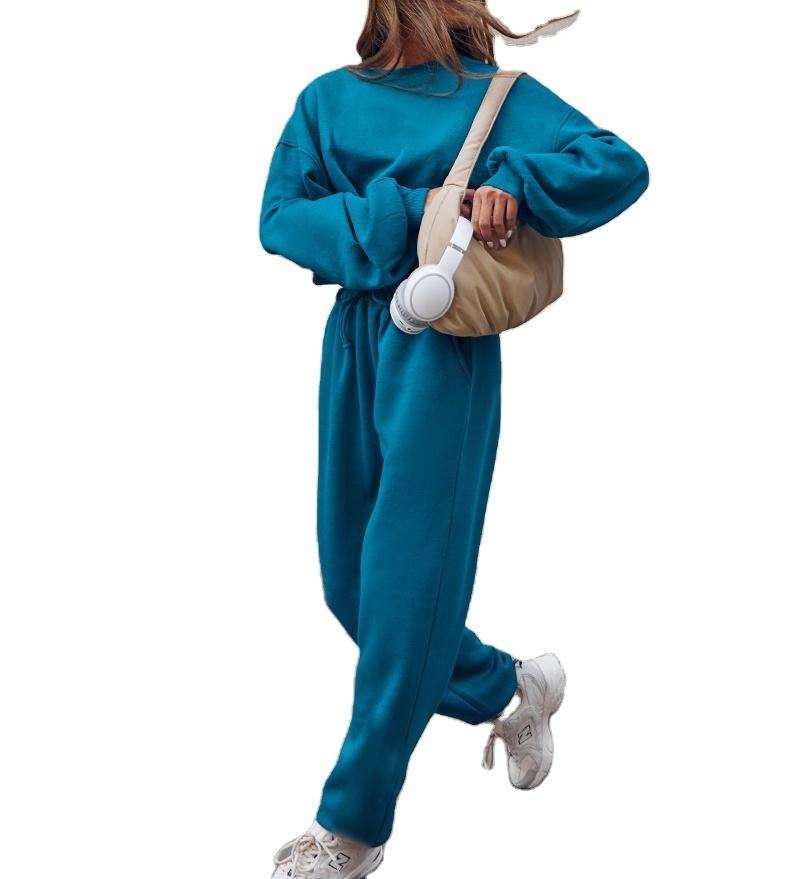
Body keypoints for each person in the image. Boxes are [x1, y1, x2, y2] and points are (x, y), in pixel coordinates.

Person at [259, 2, 648, 875]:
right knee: (352, 584)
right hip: (357, 335)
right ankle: (511, 684)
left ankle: (352, 825)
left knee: (405, 589)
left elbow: (618, 164)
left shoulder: (499, 98)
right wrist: (415, 210)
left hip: (445, 346)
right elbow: (280, 217)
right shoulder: (327, 99)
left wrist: (515, 183)